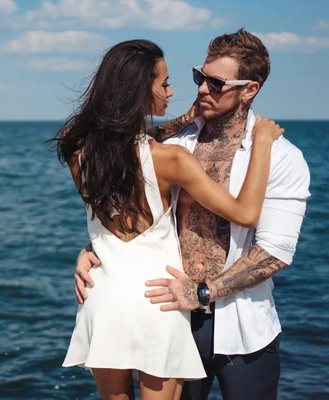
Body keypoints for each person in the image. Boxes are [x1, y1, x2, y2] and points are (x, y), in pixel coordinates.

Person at [72, 30, 311, 400]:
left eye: (216, 82)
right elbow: (125, 174)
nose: (201, 89)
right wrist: (94, 247)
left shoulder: (282, 157)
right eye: (200, 77)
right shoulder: (175, 145)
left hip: (242, 326)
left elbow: (275, 250)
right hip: (169, 310)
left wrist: (202, 291)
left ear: (249, 89)